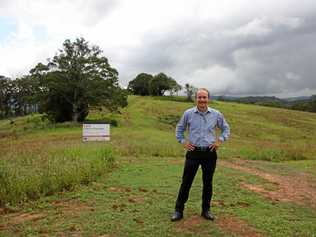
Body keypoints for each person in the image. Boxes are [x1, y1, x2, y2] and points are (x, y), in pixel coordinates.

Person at [171, 88, 230, 221]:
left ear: (208, 98)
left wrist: (220, 140)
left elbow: (226, 128)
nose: (202, 100)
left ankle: (206, 210)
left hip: (210, 153)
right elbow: (179, 129)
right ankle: (178, 210)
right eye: (199, 97)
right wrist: (183, 142)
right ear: (195, 99)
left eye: (204, 97)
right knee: (186, 182)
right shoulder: (188, 113)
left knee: (208, 183)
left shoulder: (216, 114)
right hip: (193, 152)